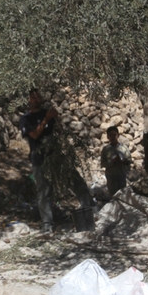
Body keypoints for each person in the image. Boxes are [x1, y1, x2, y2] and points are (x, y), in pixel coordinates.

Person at [19, 89, 96, 233]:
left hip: (56, 156)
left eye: (38, 96)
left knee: (76, 181)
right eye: (33, 97)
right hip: (39, 159)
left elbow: (59, 131)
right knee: (44, 191)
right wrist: (47, 119)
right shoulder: (26, 118)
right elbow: (34, 135)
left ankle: (91, 208)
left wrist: (56, 119)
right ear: (28, 100)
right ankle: (47, 224)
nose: (36, 99)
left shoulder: (46, 112)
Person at [100, 126, 132, 197]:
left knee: (122, 196)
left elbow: (129, 161)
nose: (112, 137)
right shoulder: (105, 150)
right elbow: (103, 164)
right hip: (111, 177)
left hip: (122, 176)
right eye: (110, 135)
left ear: (118, 135)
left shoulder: (124, 148)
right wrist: (112, 162)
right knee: (113, 197)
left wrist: (124, 161)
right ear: (107, 137)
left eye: (114, 135)